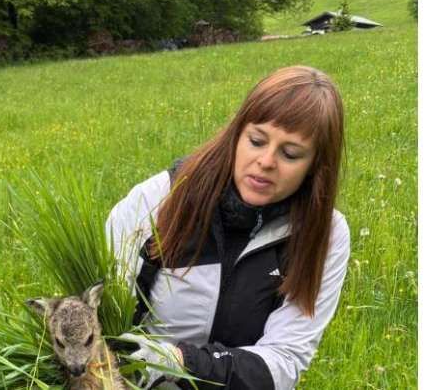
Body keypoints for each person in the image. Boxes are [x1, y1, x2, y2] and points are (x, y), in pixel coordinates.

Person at [108, 66, 349, 390]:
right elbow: (101, 314)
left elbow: (284, 361)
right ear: (236, 134)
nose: (266, 161)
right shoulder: (159, 200)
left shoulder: (326, 233)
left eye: (290, 154)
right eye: (257, 140)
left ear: (315, 167)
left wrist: (175, 361)